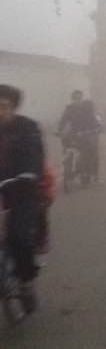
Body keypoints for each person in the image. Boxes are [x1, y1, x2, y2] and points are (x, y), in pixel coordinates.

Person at [0, 84, 44, 312]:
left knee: (19, 237)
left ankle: (26, 282)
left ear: (13, 107)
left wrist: (28, 174)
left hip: (20, 190)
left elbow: (34, 154)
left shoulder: (27, 127)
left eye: (3, 106)